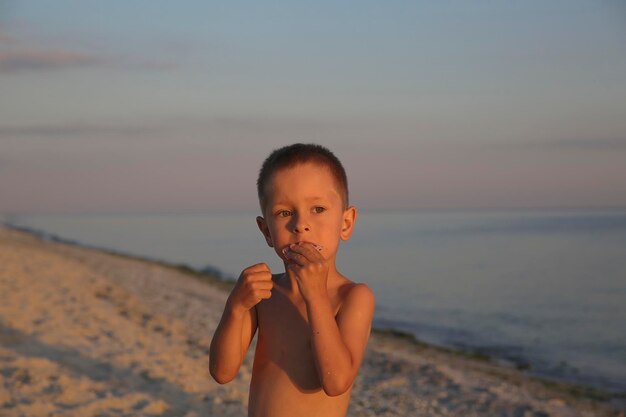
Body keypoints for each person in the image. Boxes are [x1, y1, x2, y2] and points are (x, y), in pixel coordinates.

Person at [209, 143, 375, 417]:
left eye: (318, 209)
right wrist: (235, 308)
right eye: (285, 213)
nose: (300, 224)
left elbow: (336, 382)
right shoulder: (265, 293)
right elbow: (222, 372)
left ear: (345, 223)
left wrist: (315, 296)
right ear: (267, 232)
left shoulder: (353, 296)